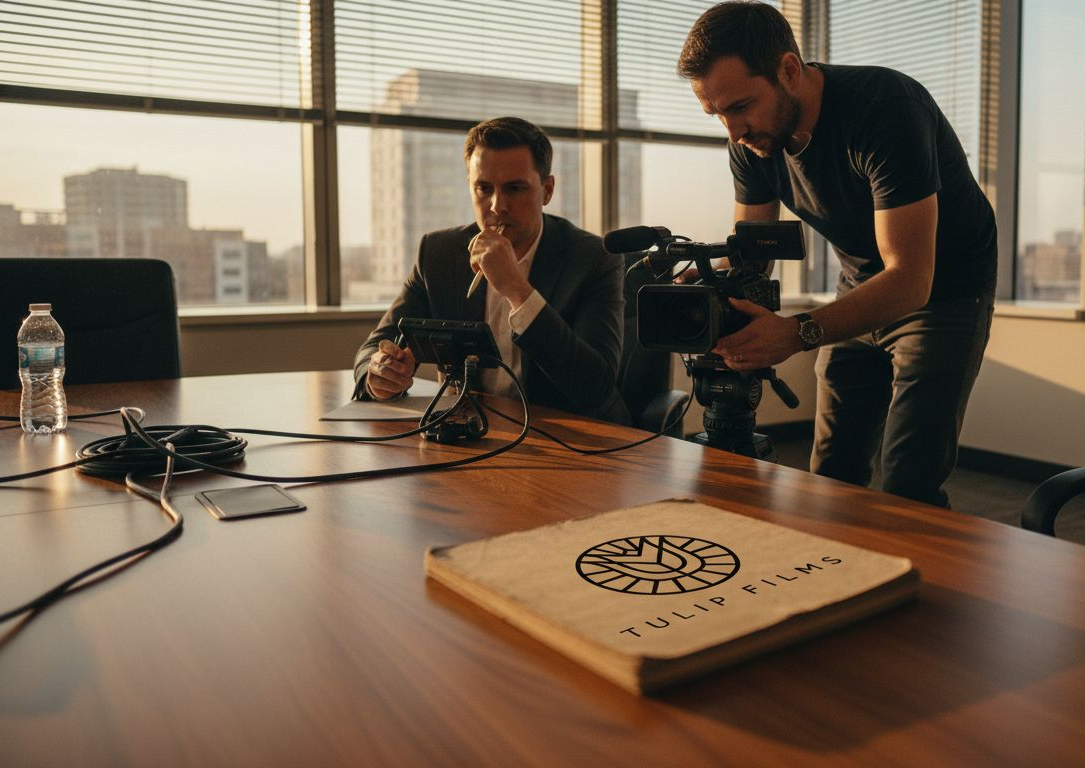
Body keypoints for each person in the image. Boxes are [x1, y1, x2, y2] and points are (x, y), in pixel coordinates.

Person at [677, 2, 997, 507]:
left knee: (908, 481)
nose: (733, 131)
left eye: (740, 107)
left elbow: (911, 278)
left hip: (943, 290)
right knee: (831, 474)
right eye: (716, 114)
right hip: (861, 279)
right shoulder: (751, 143)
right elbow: (751, 256)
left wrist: (796, 332)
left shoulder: (886, 107)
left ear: (788, 70)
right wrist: (705, 284)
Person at [354, 116, 630, 425]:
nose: (497, 206)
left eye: (515, 188)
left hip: (575, 435)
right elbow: (374, 347)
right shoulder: (438, 253)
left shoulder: (593, 258)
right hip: (474, 432)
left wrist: (516, 288)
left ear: (547, 190)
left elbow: (595, 387)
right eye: (484, 188)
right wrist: (380, 375)